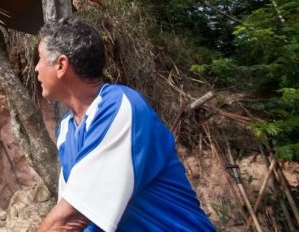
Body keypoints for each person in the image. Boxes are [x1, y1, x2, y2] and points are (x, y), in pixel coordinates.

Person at [35, 17, 215, 232]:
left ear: (61, 65)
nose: (36, 68)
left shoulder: (120, 107)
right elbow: (75, 216)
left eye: (40, 59)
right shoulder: (66, 129)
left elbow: (69, 218)